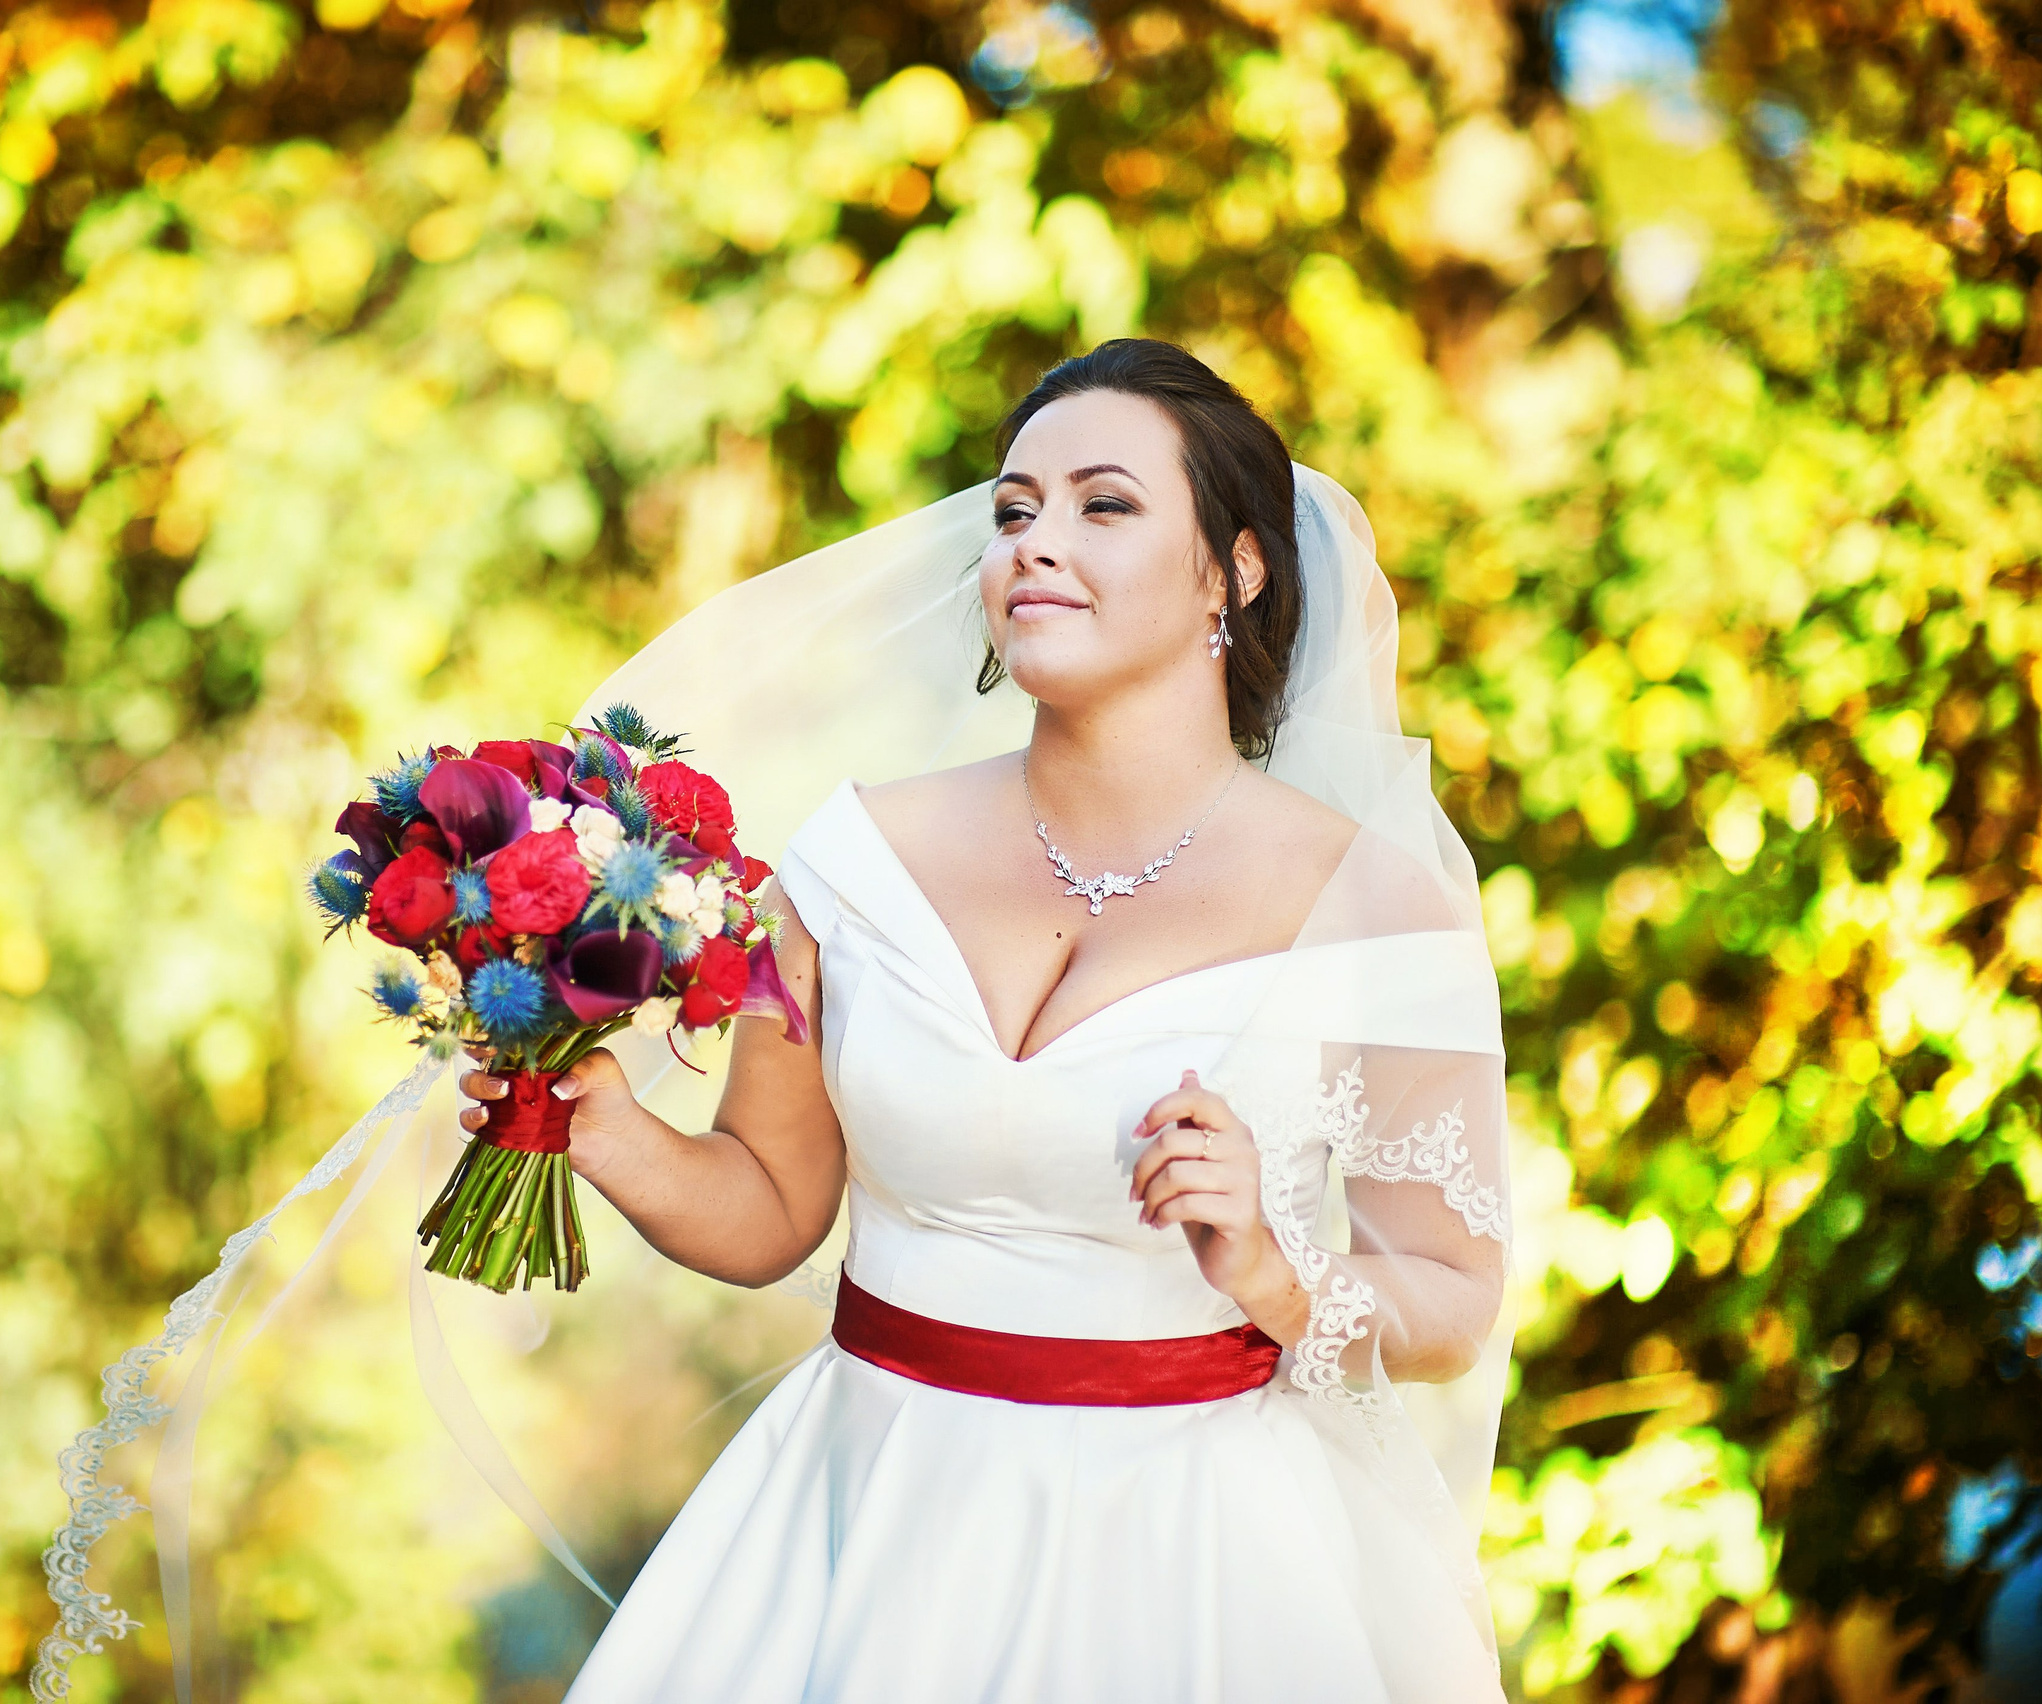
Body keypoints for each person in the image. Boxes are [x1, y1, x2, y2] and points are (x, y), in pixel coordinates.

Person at [455, 340, 1514, 1702]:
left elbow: (1453, 1299)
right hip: (867, 1521)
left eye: (1104, 504)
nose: (1034, 542)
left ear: (1233, 572)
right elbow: (772, 1206)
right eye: (1014, 510)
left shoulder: (1374, 905)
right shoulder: (852, 862)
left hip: (1198, 1562)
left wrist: (1275, 1266)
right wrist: (606, 1131)